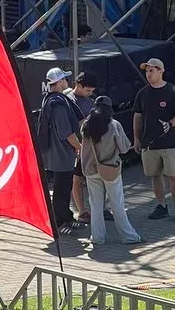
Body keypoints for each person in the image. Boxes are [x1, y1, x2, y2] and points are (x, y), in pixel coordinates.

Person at [80, 96, 142, 247]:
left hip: (91, 170)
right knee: (117, 203)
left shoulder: (86, 125)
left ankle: (97, 237)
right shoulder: (114, 125)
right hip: (110, 170)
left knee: (95, 204)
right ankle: (129, 236)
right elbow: (124, 148)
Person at [133, 58, 175, 224]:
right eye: (147, 71)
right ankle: (161, 206)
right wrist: (136, 138)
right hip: (149, 143)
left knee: (173, 175)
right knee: (154, 175)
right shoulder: (142, 93)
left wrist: (170, 124)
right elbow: (137, 116)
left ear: (160, 71)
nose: (148, 74)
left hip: (170, 142)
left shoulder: (173, 92)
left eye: (151, 71)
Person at [37, 67, 83, 234]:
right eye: (64, 79)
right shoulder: (59, 104)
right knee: (62, 188)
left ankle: (65, 217)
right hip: (61, 154)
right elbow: (67, 133)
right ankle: (61, 220)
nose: (67, 81)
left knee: (61, 187)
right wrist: (79, 147)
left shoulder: (50, 99)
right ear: (60, 82)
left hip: (54, 153)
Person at [68, 71, 106, 225]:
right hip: (78, 145)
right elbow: (72, 125)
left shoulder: (90, 100)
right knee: (77, 179)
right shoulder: (70, 100)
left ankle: (98, 208)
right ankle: (82, 210)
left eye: (92, 91)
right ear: (79, 85)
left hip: (90, 146)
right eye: (88, 90)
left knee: (94, 178)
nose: (90, 93)